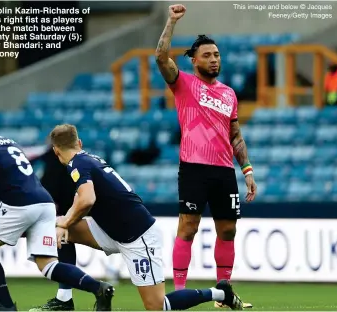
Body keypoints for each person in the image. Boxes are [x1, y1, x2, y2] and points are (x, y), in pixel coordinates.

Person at [34, 124, 243, 311]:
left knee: (157, 306)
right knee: (63, 230)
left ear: (55, 151)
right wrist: (64, 223)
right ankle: (64, 300)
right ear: (79, 142)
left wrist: (65, 221)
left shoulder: (77, 164)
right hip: (112, 230)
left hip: (138, 237)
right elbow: (84, 200)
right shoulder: (89, 159)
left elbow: (87, 199)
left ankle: (221, 293)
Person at [0, 104, 114, 312]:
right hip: (45, 203)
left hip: (19, 204)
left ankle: (6, 306)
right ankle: (99, 288)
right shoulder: (6, 141)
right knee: (47, 265)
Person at [154, 4, 257, 309]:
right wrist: (171, 21)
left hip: (224, 170)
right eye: (208, 55)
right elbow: (161, 57)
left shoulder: (228, 94)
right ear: (194, 60)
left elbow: (235, 134)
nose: (215, 60)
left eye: (217, 55)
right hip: (194, 167)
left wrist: (247, 170)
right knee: (188, 225)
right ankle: (180, 291)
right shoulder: (183, 83)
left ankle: (224, 292)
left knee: (228, 229)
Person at [36, 140, 78, 311]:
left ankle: (96, 289)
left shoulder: (52, 161)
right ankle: (65, 296)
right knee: (65, 245)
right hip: (72, 211)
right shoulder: (76, 160)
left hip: (66, 212)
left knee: (63, 244)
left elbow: (51, 186)